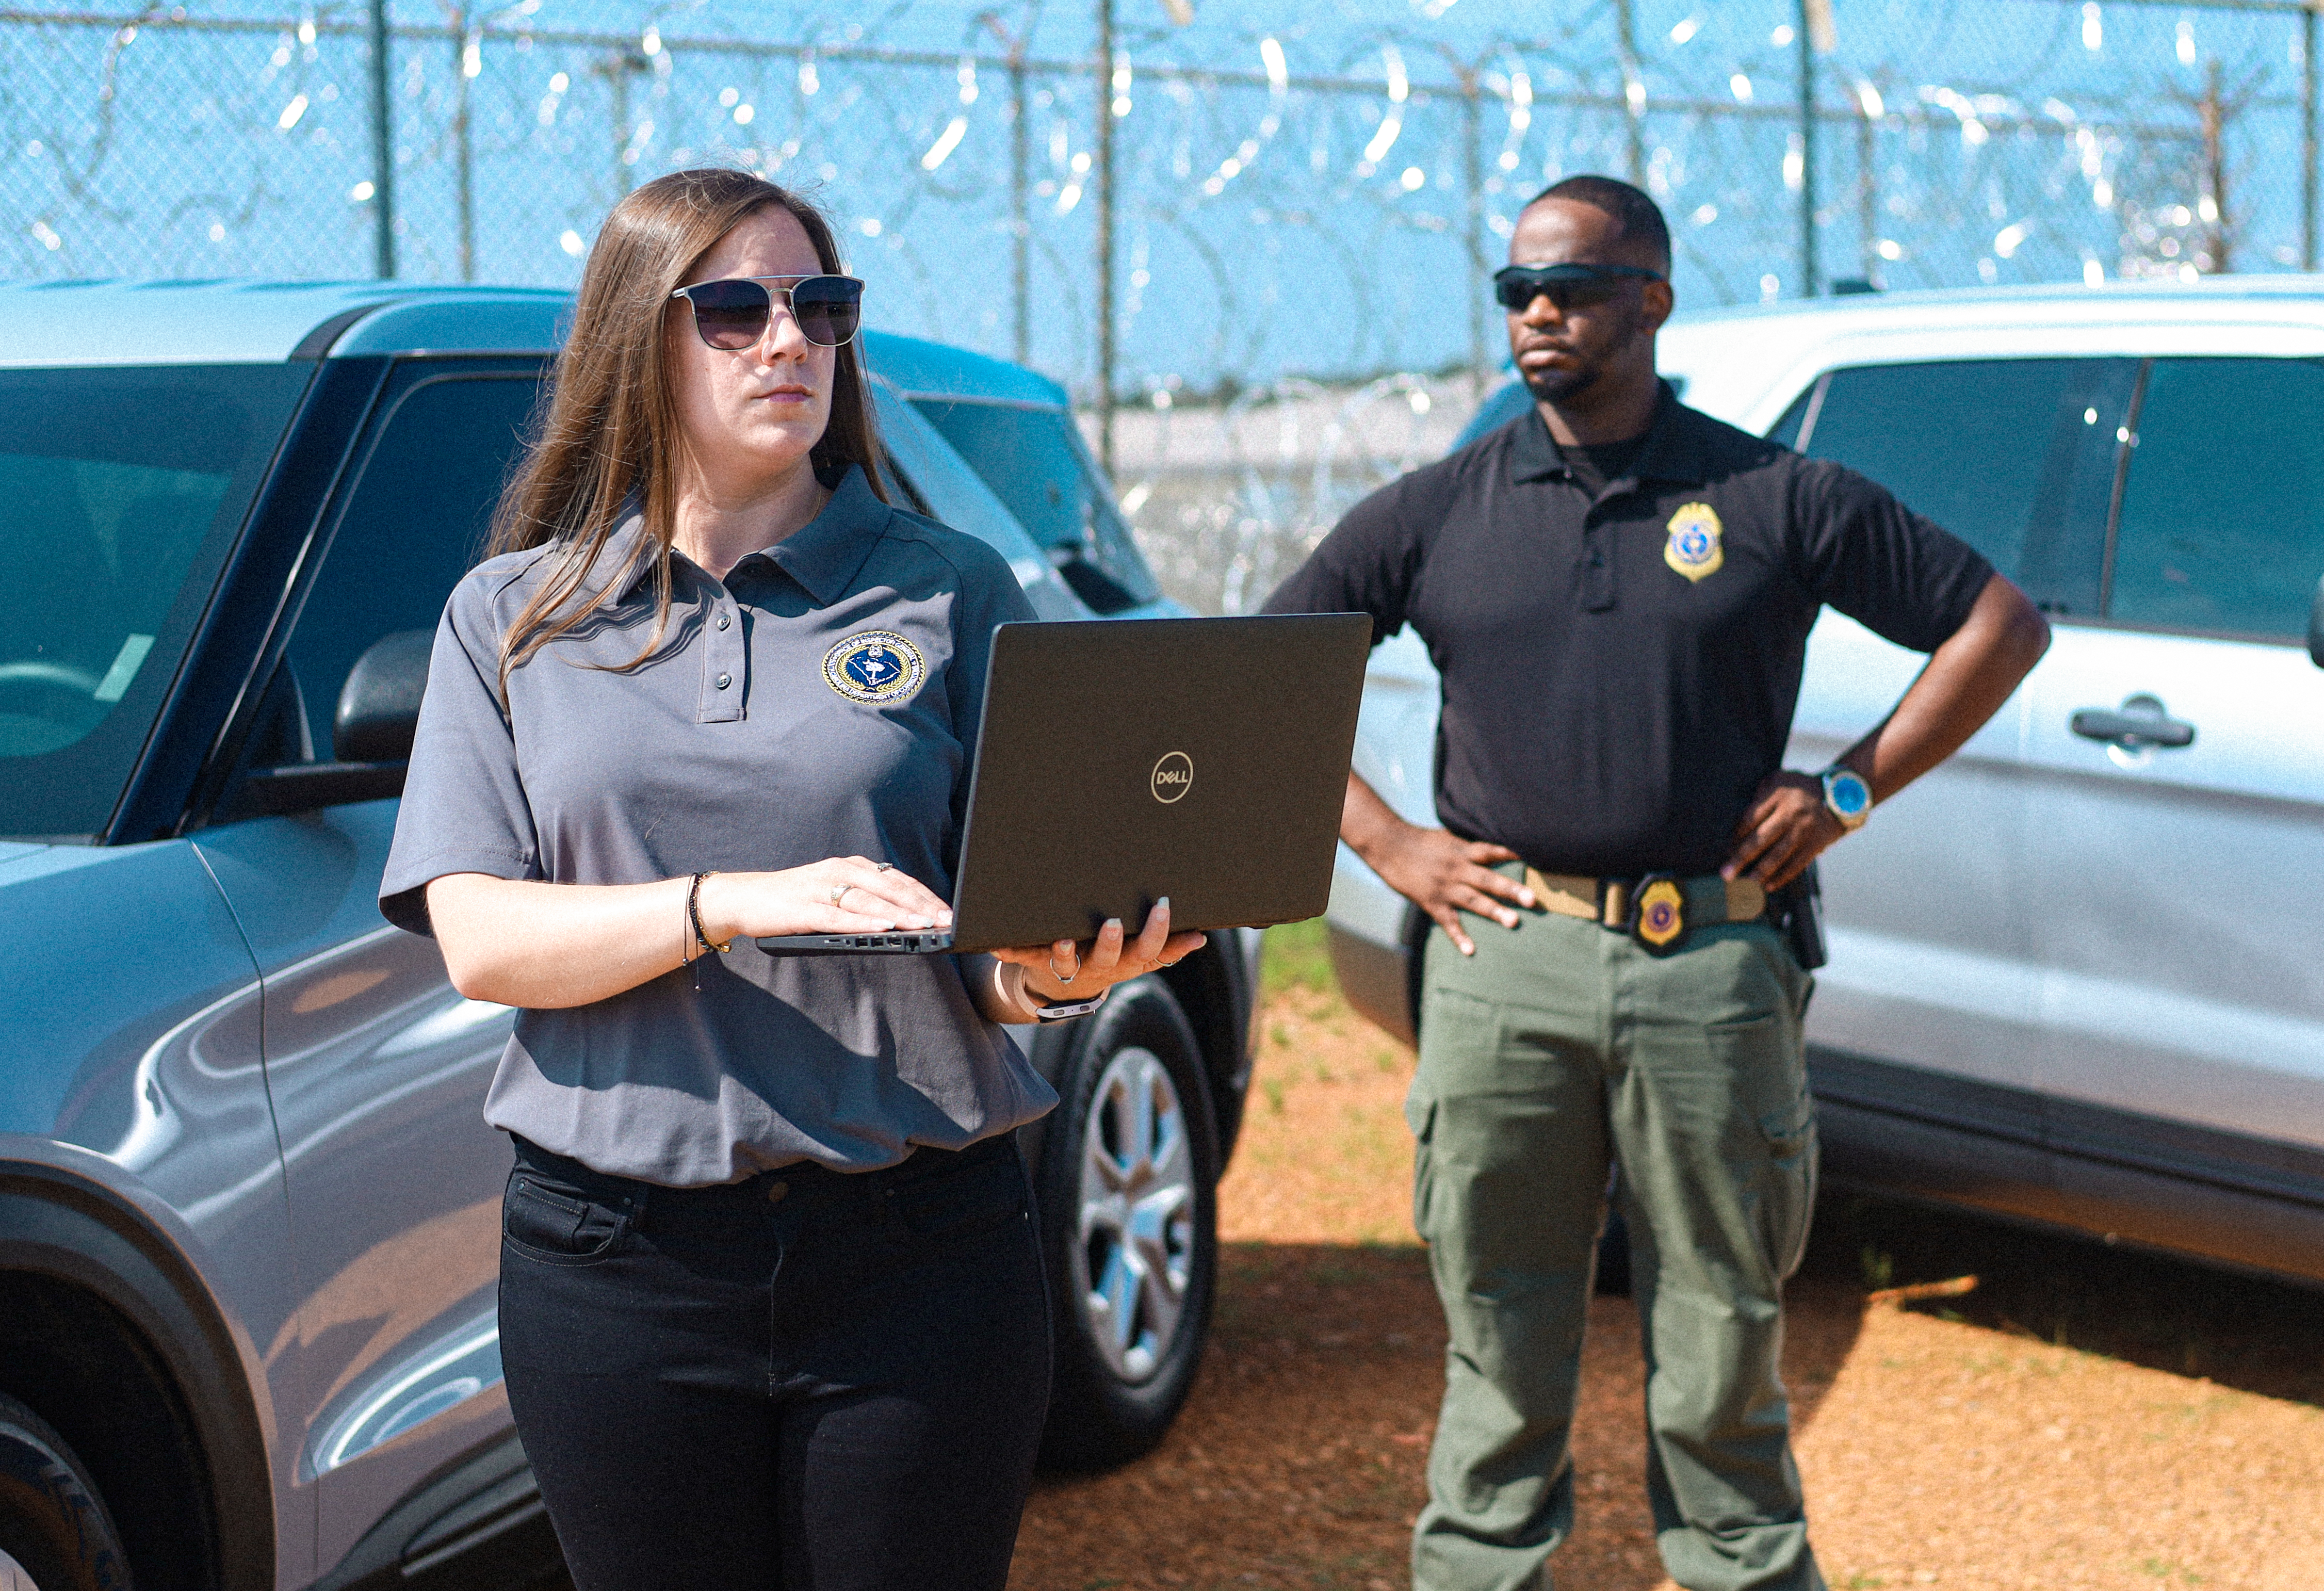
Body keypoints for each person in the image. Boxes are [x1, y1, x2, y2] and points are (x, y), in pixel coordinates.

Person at [379, 167, 1204, 1591]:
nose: (791, 342)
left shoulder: (949, 587)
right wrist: (727, 900)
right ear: (642, 337)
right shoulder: (514, 615)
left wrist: (1043, 981)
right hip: (618, 1266)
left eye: (821, 307)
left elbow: (981, 944)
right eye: (738, 310)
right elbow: (482, 939)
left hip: (921, 1258)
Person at [1262, 175, 2050, 1591]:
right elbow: (1262, 676)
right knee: (1499, 1340)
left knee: (1721, 1340)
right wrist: (1386, 844)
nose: (1537, 313)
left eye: (1567, 284)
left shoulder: (1767, 490)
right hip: (1509, 956)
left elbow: (1996, 624)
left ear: (1651, 298)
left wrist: (1846, 788)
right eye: (1514, 291)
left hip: (1713, 968)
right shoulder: (1442, 507)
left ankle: (1743, 1566)